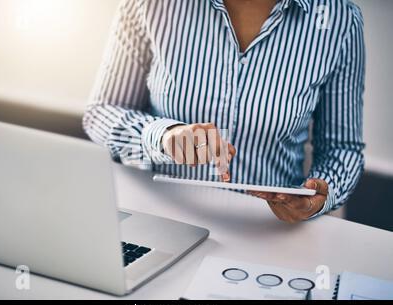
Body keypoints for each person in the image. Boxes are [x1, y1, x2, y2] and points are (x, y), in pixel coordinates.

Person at [83, 0, 365, 223]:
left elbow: (342, 148)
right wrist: (162, 135)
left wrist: (319, 198)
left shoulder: (341, 21)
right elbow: (103, 112)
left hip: (270, 231)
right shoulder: (151, 4)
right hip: (160, 219)